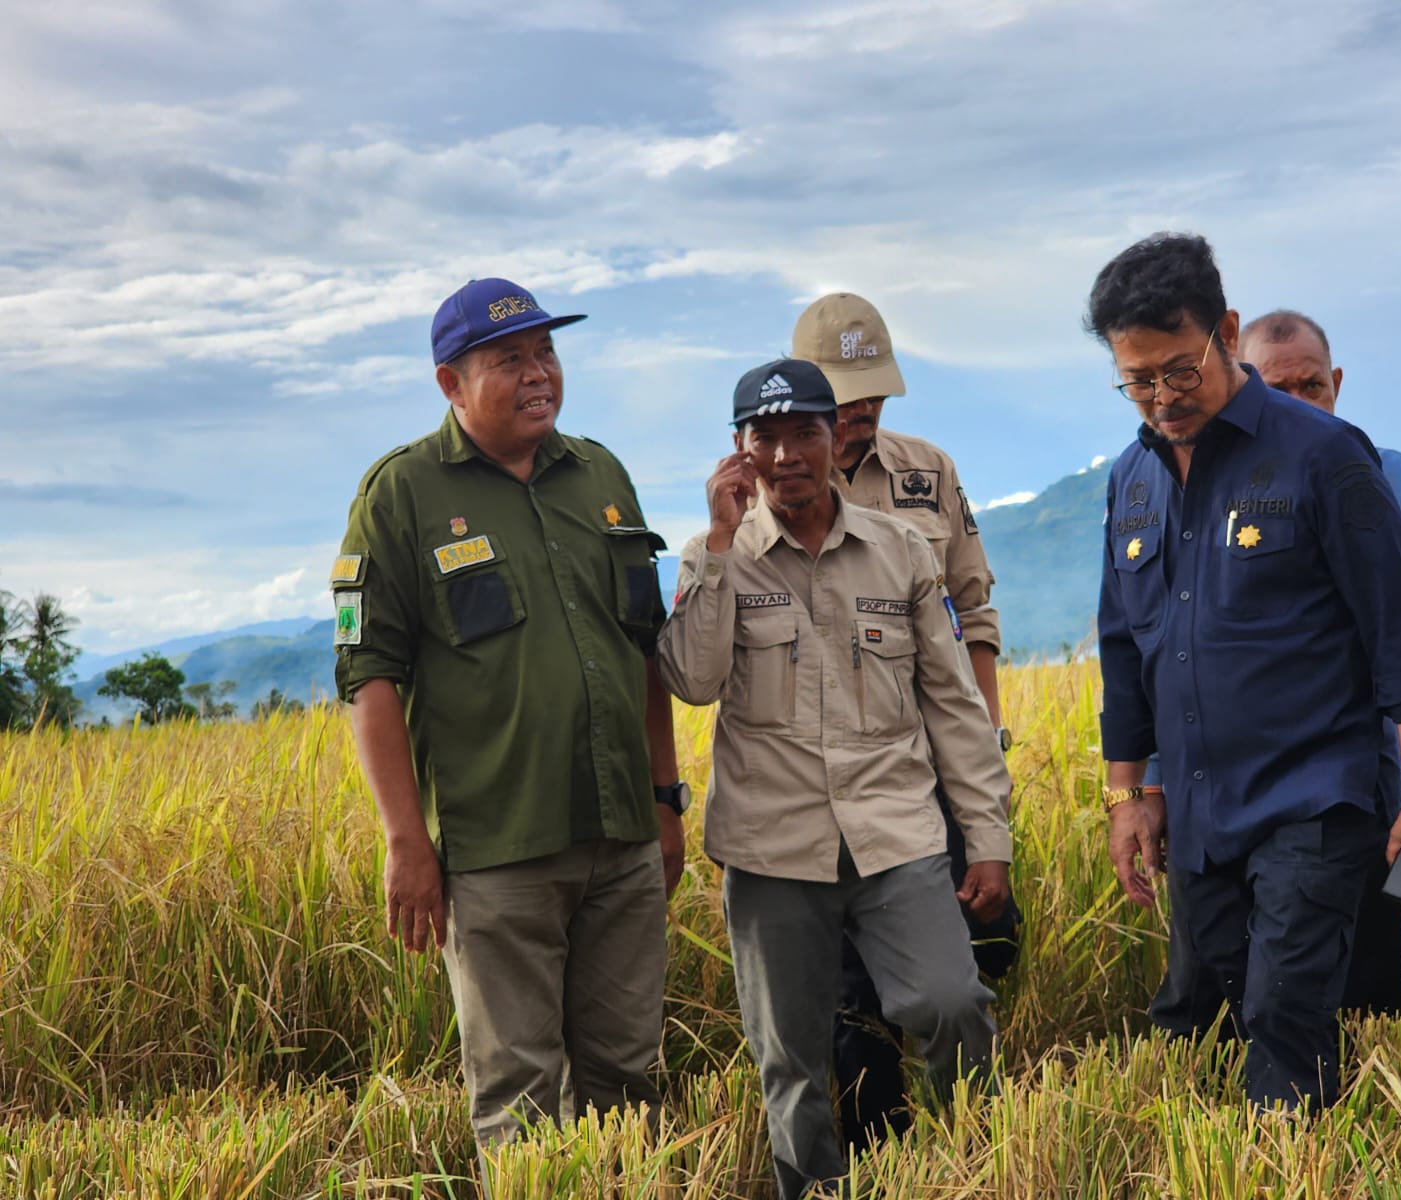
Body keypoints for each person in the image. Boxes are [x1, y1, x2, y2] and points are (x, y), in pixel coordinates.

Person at [1091, 234, 1401, 1112]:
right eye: (1138, 381)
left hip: (1314, 793)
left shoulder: (1323, 453)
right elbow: (1123, 647)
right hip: (1199, 809)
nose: (1162, 398)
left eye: (1180, 371)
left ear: (1226, 332)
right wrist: (1128, 794)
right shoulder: (1131, 482)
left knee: (1283, 1019)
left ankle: (1291, 1154)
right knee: (1216, 1019)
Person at [332, 277, 688, 1160]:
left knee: (628, 1083)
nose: (538, 374)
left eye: (546, 352)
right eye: (509, 360)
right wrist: (406, 843)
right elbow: (369, 677)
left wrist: (666, 799)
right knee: (520, 1101)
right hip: (499, 851)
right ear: (450, 384)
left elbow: (642, 650)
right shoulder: (401, 495)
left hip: (623, 836)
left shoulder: (600, 475)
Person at [656, 358, 1011, 1199]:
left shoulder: (900, 550)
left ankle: (977, 1169)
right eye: (766, 437)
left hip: (896, 835)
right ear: (739, 449)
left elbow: (954, 706)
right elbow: (692, 680)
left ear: (833, 437)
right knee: (791, 1057)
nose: (786, 455)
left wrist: (988, 838)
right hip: (772, 849)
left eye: (803, 434)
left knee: (950, 1001)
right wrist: (718, 543)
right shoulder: (715, 556)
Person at [791, 292, 1020, 1150]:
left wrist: (985, 754)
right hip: (824, 786)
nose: (862, 413)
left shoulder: (928, 472)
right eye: (844, 398)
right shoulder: (772, 479)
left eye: (874, 395)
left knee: (972, 952)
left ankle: (971, 1149)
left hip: (932, 769)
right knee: (851, 994)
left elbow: (974, 614)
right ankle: (876, 1152)